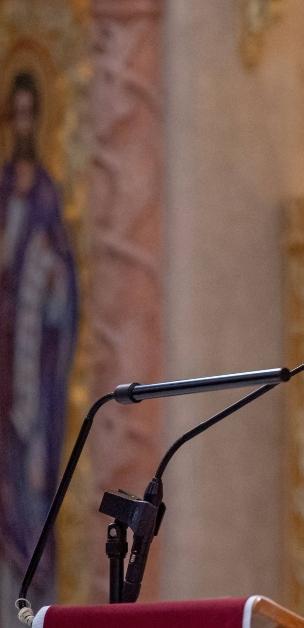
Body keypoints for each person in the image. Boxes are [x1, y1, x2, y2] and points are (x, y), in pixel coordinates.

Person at [0, 71, 77, 617]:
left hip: (34, 374)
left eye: (33, 115)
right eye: (17, 115)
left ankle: (31, 606)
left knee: (31, 481)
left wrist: (50, 280)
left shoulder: (47, 196)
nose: (24, 126)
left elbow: (64, 291)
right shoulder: (3, 192)